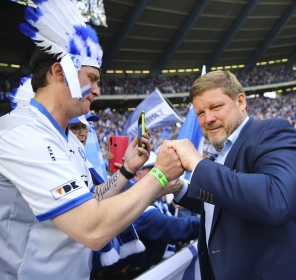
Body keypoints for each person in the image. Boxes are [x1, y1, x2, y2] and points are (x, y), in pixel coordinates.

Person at [0, 1, 183, 279]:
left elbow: (89, 199)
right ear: (60, 72)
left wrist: (126, 170)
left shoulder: (67, 138)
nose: (97, 91)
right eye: (92, 78)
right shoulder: (22, 134)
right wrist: (158, 176)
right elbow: (93, 229)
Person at [167, 70, 296, 280]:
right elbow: (223, 204)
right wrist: (178, 187)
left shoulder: (273, 132)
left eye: (216, 107)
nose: (208, 119)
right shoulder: (218, 155)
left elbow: (276, 200)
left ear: (240, 102)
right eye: (200, 113)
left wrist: (196, 164)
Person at [103, 152, 200, 278]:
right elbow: (170, 227)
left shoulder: (147, 195)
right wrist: (210, 224)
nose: (161, 174)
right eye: (153, 170)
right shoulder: (131, 204)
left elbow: (163, 217)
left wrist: (173, 205)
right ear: (137, 174)